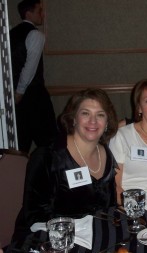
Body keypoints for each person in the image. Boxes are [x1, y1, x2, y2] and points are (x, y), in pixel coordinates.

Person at [12, 88, 119, 241]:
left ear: (107, 122)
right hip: (51, 239)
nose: (93, 121)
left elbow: (110, 207)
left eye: (100, 115)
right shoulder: (48, 156)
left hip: (96, 237)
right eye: (85, 113)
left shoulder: (106, 154)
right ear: (74, 118)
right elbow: (35, 216)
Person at [9, 0, 57, 153]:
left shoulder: (10, 34)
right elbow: (29, 68)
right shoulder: (36, 35)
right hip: (33, 95)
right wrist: (19, 92)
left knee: (21, 141)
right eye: (39, 11)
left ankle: (18, 175)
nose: (42, 15)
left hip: (16, 95)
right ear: (29, 13)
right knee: (49, 140)